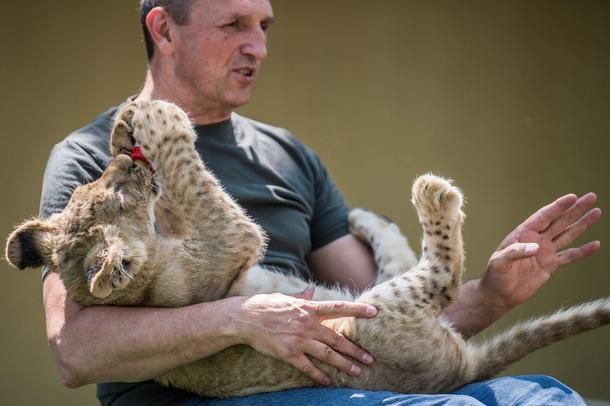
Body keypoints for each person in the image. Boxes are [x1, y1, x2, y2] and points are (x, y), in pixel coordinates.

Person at [39, 0, 602, 405]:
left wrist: (494, 295)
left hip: (331, 379)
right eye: (234, 23)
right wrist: (239, 321)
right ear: (163, 28)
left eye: (263, 25)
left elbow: (371, 321)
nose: (257, 46)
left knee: (545, 398)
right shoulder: (95, 164)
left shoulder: (288, 155)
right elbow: (75, 350)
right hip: (205, 394)